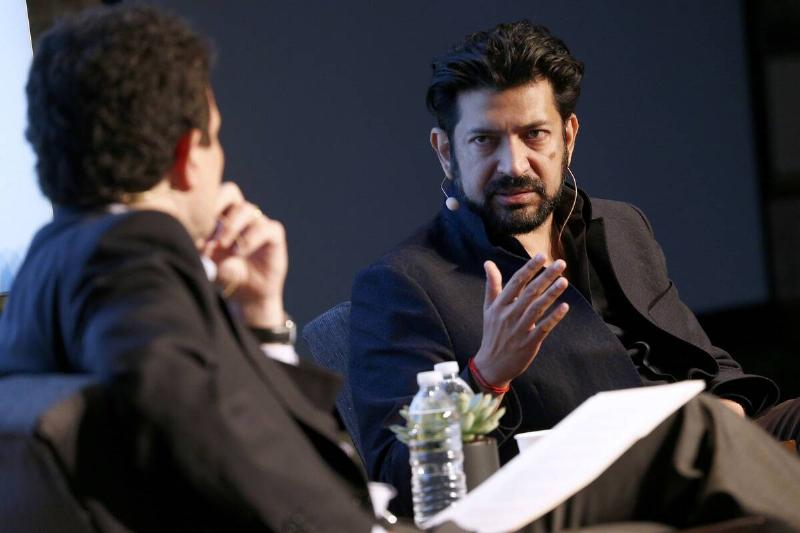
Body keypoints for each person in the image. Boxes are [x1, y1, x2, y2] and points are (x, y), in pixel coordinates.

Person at [349, 20, 800, 518]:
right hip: (590, 495)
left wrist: (727, 417)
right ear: (445, 151)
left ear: (568, 135)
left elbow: (709, 363)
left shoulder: (620, 225)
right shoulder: (405, 282)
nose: (513, 164)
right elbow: (398, 477)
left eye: (534, 135)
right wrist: (487, 374)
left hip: (702, 448)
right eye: (484, 141)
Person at [0, 5, 382, 531]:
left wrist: (261, 319)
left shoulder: (47, 265)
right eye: (216, 136)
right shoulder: (132, 260)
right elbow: (190, 423)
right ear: (187, 155)